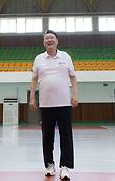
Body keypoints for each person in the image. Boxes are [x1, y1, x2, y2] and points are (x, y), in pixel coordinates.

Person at [29, 30, 78, 181]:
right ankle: (50, 164)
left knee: (66, 136)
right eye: (47, 38)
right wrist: (32, 98)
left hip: (64, 103)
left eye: (52, 38)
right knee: (47, 136)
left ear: (57, 41)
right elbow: (34, 79)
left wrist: (75, 95)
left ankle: (65, 167)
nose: (49, 40)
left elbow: (73, 77)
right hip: (46, 104)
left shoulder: (65, 56)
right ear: (44, 42)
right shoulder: (39, 58)